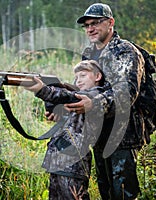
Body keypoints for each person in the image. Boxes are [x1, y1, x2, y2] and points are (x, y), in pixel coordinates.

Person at [46, 3, 146, 200]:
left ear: (110, 23)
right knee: (105, 189)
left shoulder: (125, 51)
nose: (90, 28)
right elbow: (82, 88)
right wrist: (60, 104)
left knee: (123, 191)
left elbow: (127, 92)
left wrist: (95, 104)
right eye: (86, 25)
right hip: (97, 132)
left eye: (95, 23)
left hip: (123, 134)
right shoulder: (89, 53)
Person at [25, 60, 114, 200]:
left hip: (74, 163)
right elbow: (61, 101)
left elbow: (67, 96)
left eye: (83, 75)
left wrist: (43, 90)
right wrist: (53, 108)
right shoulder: (76, 100)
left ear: (98, 76)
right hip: (56, 161)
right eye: (76, 77)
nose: (78, 80)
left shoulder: (96, 95)